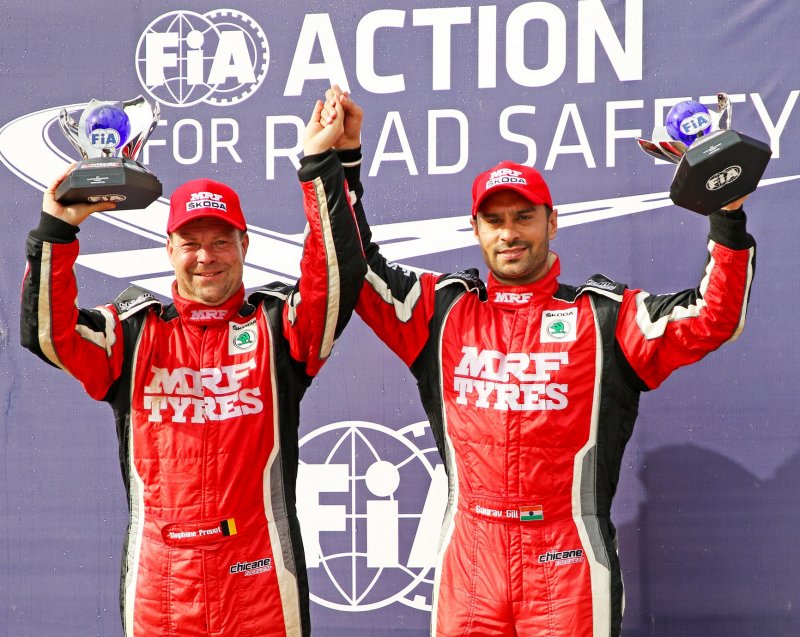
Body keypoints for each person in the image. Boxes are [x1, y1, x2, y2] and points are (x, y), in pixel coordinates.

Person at [320, 87, 755, 636]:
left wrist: (727, 214)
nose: (509, 233)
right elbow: (357, 268)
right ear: (476, 231)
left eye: (524, 217)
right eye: (494, 220)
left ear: (552, 223)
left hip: (567, 557)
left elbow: (714, 317)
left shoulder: (604, 317)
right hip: (471, 561)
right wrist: (345, 162)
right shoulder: (441, 310)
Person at [19, 97, 365, 637]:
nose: (206, 257)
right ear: (169, 249)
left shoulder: (279, 327)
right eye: (191, 243)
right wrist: (57, 230)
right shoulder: (133, 331)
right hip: (161, 583)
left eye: (221, 241)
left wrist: (319, 165)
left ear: (245, 245)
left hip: (258, 577)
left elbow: (336, 280)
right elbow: (48, 335)